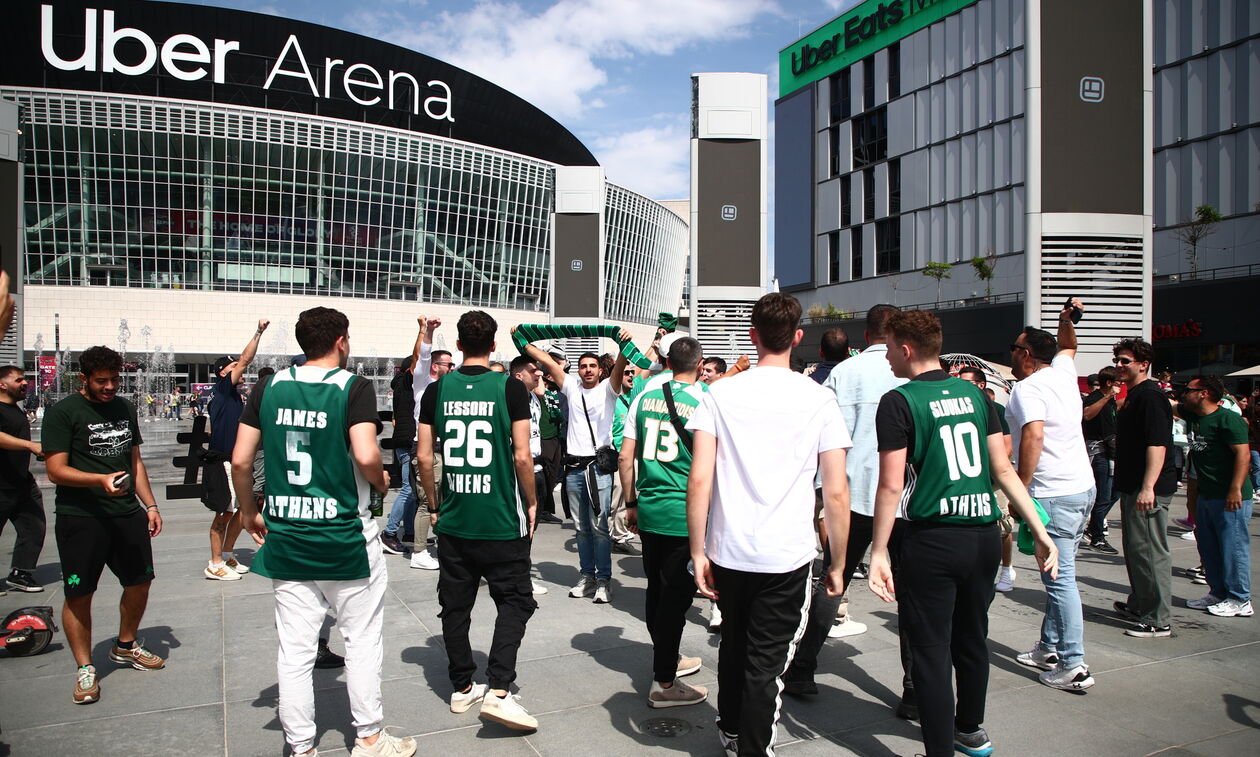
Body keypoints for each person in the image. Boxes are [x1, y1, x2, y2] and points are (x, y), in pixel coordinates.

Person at [866, 310, 1057, 757]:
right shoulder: (975, 397)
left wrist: (879, 550)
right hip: (983, 535)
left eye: (891, 347)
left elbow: (892, 484)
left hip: (930, 538)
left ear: (907, 349)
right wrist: (1037, 526)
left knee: (930, 649)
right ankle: (969, 728)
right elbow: (1003, 469)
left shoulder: (899, 400)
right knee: (972, 637)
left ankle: (939, 749)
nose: (888, 356)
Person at [230, 307, 413, 757]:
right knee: (362, 641)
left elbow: (239, 460)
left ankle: (301, 746)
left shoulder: (269, 385)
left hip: (288, 534)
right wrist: (381, 481)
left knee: (294, 652)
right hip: (344, 537)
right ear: (341, 341)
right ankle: (369, 737)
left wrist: (251, 510)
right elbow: (367, 455)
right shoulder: (354, 387)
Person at [687, 293, 852, 756]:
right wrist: (839, 561)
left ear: (753, 335)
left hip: (728, 547)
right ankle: (752, 746)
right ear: (797, 336)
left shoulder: (719, 392)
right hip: (786, 553)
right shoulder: (820, 398)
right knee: (765, 663)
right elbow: (836, 491)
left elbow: (699, 479)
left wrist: (698, 552)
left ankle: (732, 727)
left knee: (736, 643)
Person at [786, 304, 914, 716]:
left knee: (834, 577)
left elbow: (829, 439)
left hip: (855, 491)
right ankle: (914, 687)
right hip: (906, 501)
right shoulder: (911, 370)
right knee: (911, 592)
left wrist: (823, 490)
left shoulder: (845, 373)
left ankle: (803, 668)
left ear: (869, 331)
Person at [417, 311, 540, 731]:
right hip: (500, 516)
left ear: (460, 341)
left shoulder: (436, 390)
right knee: (515, 600)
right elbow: (523, 455)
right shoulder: (509, 387)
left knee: (455, 605)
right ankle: (500, 688)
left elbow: (423, 457)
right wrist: (533, 501)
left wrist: (434, 506)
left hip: (454, 516)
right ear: (492, 346)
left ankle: (462, 685)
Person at [43, 346, 165, 704]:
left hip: (127, 513)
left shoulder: (125, 408)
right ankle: (85, 667)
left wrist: (151, 504)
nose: (110, 386)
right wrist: (98, 480)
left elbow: (135, 461)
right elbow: (55, 470)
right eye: (102, 381)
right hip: (81, 518)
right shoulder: (64, 412)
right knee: (80, 594)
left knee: (140, 582)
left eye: (115, 379)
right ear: (84, 379)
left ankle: (125, 645)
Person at [1005, 301, 1097, 691]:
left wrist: (1019, 490)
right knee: (1060, 573)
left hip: (1054, 494)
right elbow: (1068, 347)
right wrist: (1064, 321)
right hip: (1080, 489)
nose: (1010, 352)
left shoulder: (1029, 388)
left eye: (1014, 346)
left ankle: (1074, 664)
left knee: (1061, 581)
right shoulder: (1061, 372)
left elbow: (1034, 436)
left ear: (1026, 355)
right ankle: (1049, 647)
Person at [619, 336, 709, 708]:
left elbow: (626, 458)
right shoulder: (706, 400)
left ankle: (666, 659)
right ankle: (665, 682)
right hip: (683, 513)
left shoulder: (643, 396)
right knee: (675, 598)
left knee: (656, 590)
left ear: (668, 362)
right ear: (700, 364)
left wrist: (631, 503)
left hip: (650, 508)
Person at [521, 330, 632, 604]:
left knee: (600, 527)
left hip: (599, 468)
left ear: (600, 370)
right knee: (581, 527)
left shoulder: (609, 389)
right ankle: (587, 576)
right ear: (577, 370)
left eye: (592, 366)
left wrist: (623, 344)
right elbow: (546, 360)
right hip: (574, 469)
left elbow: (620, 364)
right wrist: (524, 342)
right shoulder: (570, 386)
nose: (587, 370)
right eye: (583, 366)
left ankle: (604, 579)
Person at [1111, 337, 1178, 638]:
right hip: (1132, 485)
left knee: (1149, 551)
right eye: (1118, 361)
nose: (1119, 366)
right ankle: (1141, 604)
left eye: (1125, 361)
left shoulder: (1150, 396)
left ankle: (1157, 618)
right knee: (1136, 550)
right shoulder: (1137, 394)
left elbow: (1158, 443)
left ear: (1143, 364)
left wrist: (1148, 487)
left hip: (1146, 487)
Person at [1177, 375, 1253, 617]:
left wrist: (1235, 489)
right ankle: (1218, 592)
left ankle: (1240, 599)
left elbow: (1244, 456)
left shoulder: (1229, 419)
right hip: (1207, 494)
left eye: (1188, 389)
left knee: (1233, 547)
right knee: (1209, 547)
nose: (1184, 394)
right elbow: (1166, 404)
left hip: (1230, 496)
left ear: (1204, 393)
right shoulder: (1195, 416)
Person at [203, 319, 270, 580]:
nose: (240, 369)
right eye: (233, 367)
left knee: (244, 508)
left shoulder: (233, 396)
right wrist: (258, 332)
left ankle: (228, 554)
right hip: (221, 461)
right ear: (223, 373)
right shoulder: (222, 389)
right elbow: (244, 359)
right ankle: (214, 562)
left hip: (237, 461)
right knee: (224, 513)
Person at [957, 366, 1018, 593]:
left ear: (981, 385)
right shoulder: (959, 410)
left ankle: (1006, 569)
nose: (961, 385)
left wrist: (991, 471)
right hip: (969, 480)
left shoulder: (996, 409)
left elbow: (1007, 447)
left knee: (1002, 527)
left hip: (993, 479)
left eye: (967, 382)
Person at [407, 317, 451, 570]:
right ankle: (419, 551)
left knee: (441, 500)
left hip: (441, 450)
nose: (452, 368)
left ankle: (437, 544)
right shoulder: (424, 382)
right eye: (448, 364)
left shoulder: (446, 387)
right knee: (427, 501)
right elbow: (422, 357)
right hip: (426, 450)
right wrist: (428, 331)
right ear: (436, 367)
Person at [0, 365, 47, 593]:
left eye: (25, 379)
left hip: (21, 482)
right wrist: (29, 445)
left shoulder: (15, 409)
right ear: (2, 384)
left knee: (34, 527)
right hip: (1, 485)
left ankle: (21, 573)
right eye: (19, 380)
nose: (25, 383)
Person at [1082, 366, 1124, 553]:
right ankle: (1097, 537)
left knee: (1115, 493)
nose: (1121, 385)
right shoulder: (1095, 398)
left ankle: (1093, 527)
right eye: (1118, 382)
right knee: (1104, 496)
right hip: (1099, 453)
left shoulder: (1111, 401)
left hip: (1111, 452)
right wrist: (1107, 397)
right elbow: (1087, 414)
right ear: (1109, 383)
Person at [381, 356, 420, 557]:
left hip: (404, 441)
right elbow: (416, 360)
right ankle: (389, 533)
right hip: (406, 442)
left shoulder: (403, 387)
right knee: (407, 489)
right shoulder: (406, 382)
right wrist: (424, 331)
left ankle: (410, 533)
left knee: (412, 490)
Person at [609, 361, 638, 554]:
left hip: (635, 456)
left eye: (632, 373)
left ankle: (622, 532)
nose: (630, 376)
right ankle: (617, 537)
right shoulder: (613, 400)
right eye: (626, 372)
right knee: (618, 498)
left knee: (631, 496)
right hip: (618, 455)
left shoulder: (637, 398)